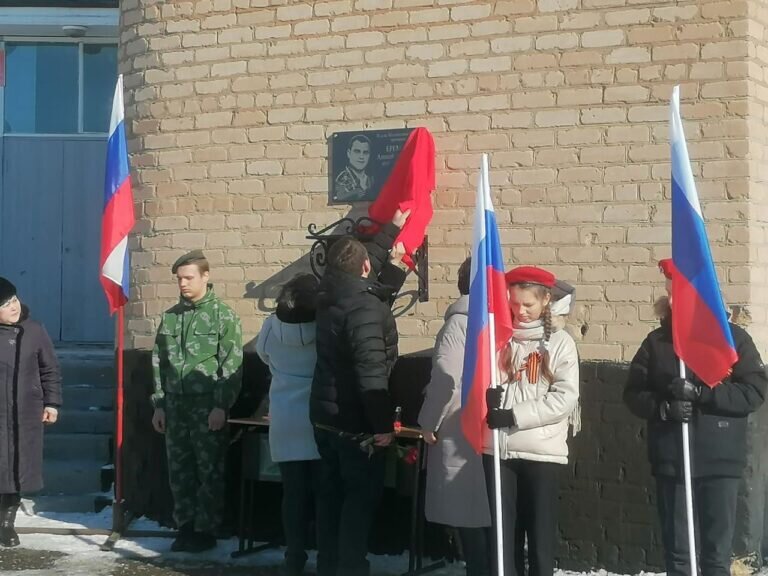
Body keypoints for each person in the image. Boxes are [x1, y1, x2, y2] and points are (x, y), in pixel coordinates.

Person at [624, 259, 766, 576]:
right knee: (679, 554)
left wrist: (703, 395)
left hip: (720, 461)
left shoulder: (733, 339)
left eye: (678, 294)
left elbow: (753, 393)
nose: (671, 301)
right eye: (668, 294)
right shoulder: (657, 342)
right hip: (674, 459)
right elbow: (633, 393)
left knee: (716, 554)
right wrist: (663, 407)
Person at [310, 209, 410, 576]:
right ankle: (351, 567)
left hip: (325, 418)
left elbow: (362, 270)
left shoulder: (329, 293)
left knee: (330, 495)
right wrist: (382, 424)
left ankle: (328, 565)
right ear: (365, 268)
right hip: (356, 423)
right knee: (358, 500)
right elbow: (371, 374)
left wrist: (392, 229)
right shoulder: (365, 307)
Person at [484, 266, 580, 576]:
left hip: (541, 451)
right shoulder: (499, 340)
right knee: (504, 537)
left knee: (539, 539)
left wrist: (514, 415)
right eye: (514, 303)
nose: (520, 311)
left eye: (528, 304)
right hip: (499, 449)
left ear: (546, 301)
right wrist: (488, 396)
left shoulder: (560, 342)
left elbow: (564, 398)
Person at [150, 250, 243, 553]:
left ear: (206, 276)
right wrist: (159, 404)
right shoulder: (170, 317)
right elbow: (158, 362)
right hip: (175, 405)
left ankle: (206, 529)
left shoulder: (222, 315)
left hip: (206, 405)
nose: (183, 284)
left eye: (189, 277)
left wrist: (221, 405)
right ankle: (185, 526)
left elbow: (231, 363)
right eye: (179, 279)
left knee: (209, 470)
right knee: (179, 469)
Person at [418, 257, 491, 576]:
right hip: (491, 427)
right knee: (486, 516)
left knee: (468, 519)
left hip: (459, 426)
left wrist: (427, 422)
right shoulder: (496, 322)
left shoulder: (458, 324)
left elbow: (446, 377)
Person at [256, 273, 321, 576]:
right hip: (318, 418)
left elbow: (263, 355)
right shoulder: (323, 327)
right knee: (324, 493)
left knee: (292, 493)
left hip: (284, 417)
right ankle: (325, 551)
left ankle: (294, 556)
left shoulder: (271, 326)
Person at [0, 277, 62, 548]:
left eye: (13, 300)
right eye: (4, 304)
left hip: (25, 412)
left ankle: (6, 524)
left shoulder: (34, 330)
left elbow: (50, 369)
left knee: (17, 469)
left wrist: (52, 403)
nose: (13, 307)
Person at [334, 134, 374, 202]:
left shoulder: (371, 180)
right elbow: (339, 196)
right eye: (357, 151)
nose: (361, 157)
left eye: (365, 152)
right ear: (349, 153)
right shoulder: (342, 179)